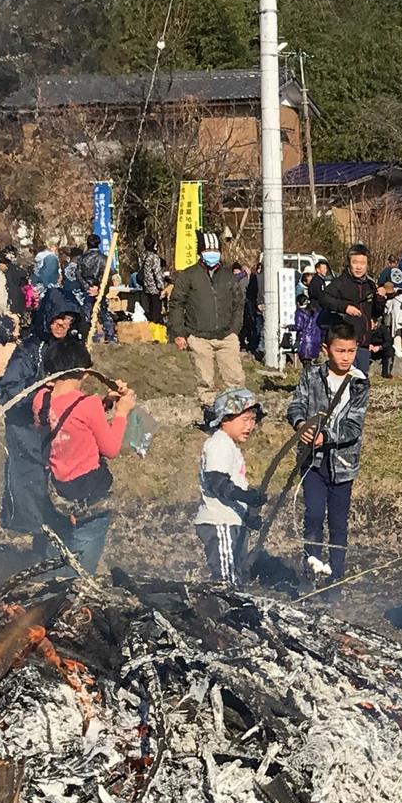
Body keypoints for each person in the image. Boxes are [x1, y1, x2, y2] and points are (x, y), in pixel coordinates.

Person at [32, 336, 135, 577]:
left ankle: (45, 604)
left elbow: (70, 422)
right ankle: (72, 604)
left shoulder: (40, 400)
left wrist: (105, 403)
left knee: (55, 561)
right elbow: (110, 449)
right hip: (90, 496)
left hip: (56, 493)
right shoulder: (87, 404)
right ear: (85, 373)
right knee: (80, 571)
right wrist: (121, 412)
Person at [0, 289, 85, 553]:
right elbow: (9, 388)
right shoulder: (29, 350)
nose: (63, 324)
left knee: (58, 472)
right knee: (30, 473)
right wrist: (40, 395)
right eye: (59, 318)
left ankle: (58, 528)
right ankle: (33, 528)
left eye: (69, 320)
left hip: (53, 423)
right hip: (24, 423)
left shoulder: (68, 348)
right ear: (47, 316)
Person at [287, 322, 368, 584]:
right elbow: (296, 405)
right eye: (340, 350)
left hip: (343, 464)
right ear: (326, 349)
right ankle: (310, 571)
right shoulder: (311, 376)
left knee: (338, 523)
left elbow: (354, 426)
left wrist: (327, 437)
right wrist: (301, 425)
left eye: (351, 351)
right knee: (312, 514)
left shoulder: (359, 383)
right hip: (313, 462)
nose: (345, 357)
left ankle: (336, 578)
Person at [196, 387, 267, 585]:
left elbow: (232, 485)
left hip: (232, 521)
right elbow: (217, 482)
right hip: (219, 521)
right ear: (224, 419)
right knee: (226, 578)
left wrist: (248, 514)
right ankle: (224, 611)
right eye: (244, 419)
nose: (250, 426)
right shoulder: (219, 443)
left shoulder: (230, 446)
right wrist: (246, 497)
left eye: (253, 420)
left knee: (238, 573)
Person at [170, 231, 246, 408]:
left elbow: (238, 303)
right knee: (205, 379)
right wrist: (180, 333)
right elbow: (176, 304)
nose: (212, 253)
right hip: (199, 336)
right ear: (201, 252)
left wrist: (235, 329)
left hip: (227, 335)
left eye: (215, 249)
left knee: (235, 377)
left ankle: (237, 409)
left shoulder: (228, 275)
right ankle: (209, 410)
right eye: (208, 249)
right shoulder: (188, 275)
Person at [318, 242, 384, 376]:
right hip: (345, 342)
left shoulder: (370, 285)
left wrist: (380, 299)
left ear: (367, 265)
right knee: (345, 379)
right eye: (355, 262)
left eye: (363, 263)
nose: (359, 267)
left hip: (364, 342)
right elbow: (324, 299)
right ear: (349, 263)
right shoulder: (340, 283)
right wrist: (345, 307)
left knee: (361, 380)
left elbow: (376, 312)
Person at [77, 234, 116, 344]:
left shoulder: (82, 259)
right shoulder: (103, 258)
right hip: (100, 288)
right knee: (104, 312)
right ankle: (110, 336)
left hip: (87, 289)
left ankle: (85, 335)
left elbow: (78, 275)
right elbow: (109, 274)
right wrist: (99, 287)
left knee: (86, 313)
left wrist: (87, 287)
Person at [0, 246, 25, 317]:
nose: (7, 267)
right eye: (6, 265)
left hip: (1, 303)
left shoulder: (1, 272)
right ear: (0, 263)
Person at [139, 236, 168, 324]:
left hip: (146, 285)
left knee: (150, 306)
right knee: (156, 308)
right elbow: (157, 273)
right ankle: (156, 327)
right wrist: (161, 287)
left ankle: (151, 323)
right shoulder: (154, 257)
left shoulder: (142, 256)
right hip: (154, 287)